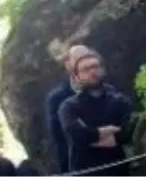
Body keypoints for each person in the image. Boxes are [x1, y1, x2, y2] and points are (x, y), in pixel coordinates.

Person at [58, 50, 135, 177]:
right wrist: (108, 131)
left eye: (95, 66)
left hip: (119, 171)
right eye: (86, 69)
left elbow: (128, 131)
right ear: (76, 77)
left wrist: (90, 136)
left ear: (103, 70)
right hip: (86, 173)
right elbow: (77, 135)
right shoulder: (69, 106)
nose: (92, 72)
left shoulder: (119, 101)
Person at [45, 44, 119, 174]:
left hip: (113, 162)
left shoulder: (110, 92)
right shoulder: (57, 99)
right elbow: (63, 135)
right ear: (68, 64)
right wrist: (92, 135)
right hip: (79, 166)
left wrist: (87, 134)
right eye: (79, 58)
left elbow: (120, 129)